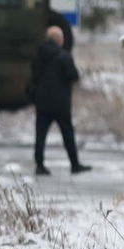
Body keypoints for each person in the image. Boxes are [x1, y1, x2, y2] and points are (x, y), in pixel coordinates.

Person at [32, 26, 91, 176]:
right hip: (60, 103)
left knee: (40, 134)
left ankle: (39, 165)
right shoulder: (63, 56)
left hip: (42, 102)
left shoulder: (38, 56)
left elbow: (34, 77)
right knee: (67, 134)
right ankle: (75, 164)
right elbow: (73, 76)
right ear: (59, 40)